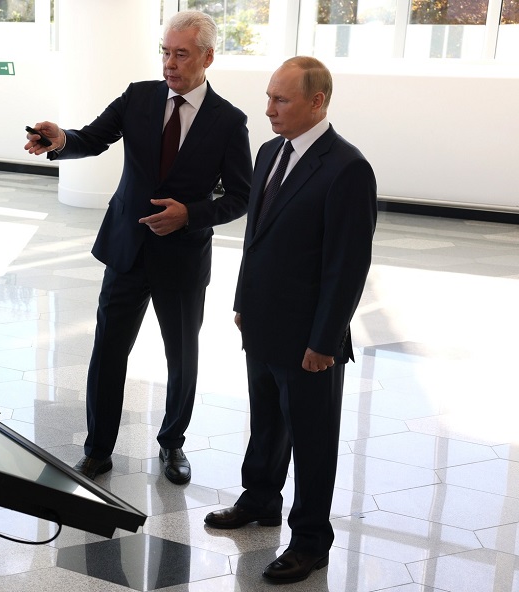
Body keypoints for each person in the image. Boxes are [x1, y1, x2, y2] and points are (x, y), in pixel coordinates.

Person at [24, 11, 252, 485]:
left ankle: (172, 443)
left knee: (181, 357)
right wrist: (61, 140)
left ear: (208, 57)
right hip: (127, 249)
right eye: (165, 52)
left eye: (181, 54)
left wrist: (189, 214)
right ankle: (97, 449)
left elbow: (240, 196)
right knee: (108, 350)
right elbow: (92, 138)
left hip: (183, 258)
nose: (170, 63)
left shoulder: (229, 121)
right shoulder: (139, 96)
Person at [203, 56, 377, 584]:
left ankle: (311, 541)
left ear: (317, 102)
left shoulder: (347, 168)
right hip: (262, 322)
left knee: (312, 440)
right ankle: (260, 498)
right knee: (266, 422)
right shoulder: (269, 152)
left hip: (309, 338)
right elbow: (256, 237)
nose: (269, 109)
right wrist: (243, 300)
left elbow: (347, 266)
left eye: (281, 99)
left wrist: (325, 340)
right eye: (269, 97)